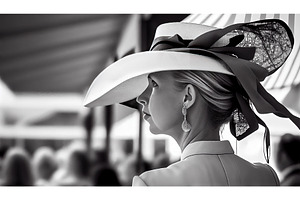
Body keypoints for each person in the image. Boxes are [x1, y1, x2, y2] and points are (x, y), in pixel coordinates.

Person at [84, 19, 300, 186]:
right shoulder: (267, 178)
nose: (141, 97)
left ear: (187, 97)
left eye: (154, 84)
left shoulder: (151, 185)